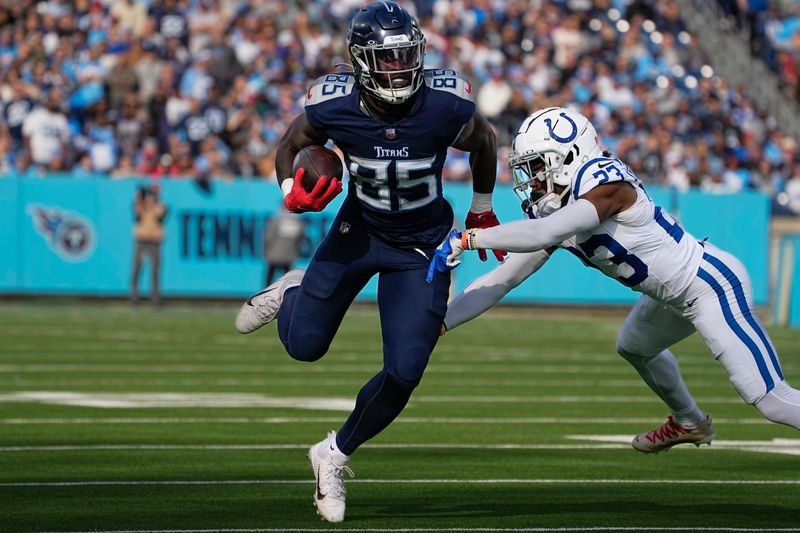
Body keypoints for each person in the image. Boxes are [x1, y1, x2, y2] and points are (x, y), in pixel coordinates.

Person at [234, 2, 505, 523]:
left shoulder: (444, 104)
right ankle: (291, 289)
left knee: (405, 371)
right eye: (388, 58)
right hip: (359, 232)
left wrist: (482, 208)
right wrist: (290, 187)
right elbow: (292, 142)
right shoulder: (333, 106)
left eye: (407, 55)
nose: (400, 68)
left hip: (420, 249)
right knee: (304, 346)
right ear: (360, 61)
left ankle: (332, 456)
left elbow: (485, 141)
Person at [430, 106, 800, 455]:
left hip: (708, 285)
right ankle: (688, 421)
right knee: (634, 345)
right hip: (669, 297)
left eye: (538, 166)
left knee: (771, 400)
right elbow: (503, 279)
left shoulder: (604, 179)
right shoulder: (558, 211)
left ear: (569, 156)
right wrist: (440, 323)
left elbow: (544, 231)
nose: (534, 181)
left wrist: (468, 238)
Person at [131, 183, 168, 306]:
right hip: (141, 240)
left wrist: (155, 200)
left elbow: (161, 214)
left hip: (154, 241)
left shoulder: (160, 206)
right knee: (137, 270)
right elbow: (137, 211)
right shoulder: (141, 206)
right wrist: (140, 196)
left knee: (155, 272)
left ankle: (155, 299)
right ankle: (135, 298)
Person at [262, 205, 306, 287]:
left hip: (274, 254)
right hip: (289, 255)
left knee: (269, 280)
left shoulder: (275, 221)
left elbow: (268, 237)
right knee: (288, 280)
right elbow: (301, 238)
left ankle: (264, 295)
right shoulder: (297, 222)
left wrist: (266, 251)